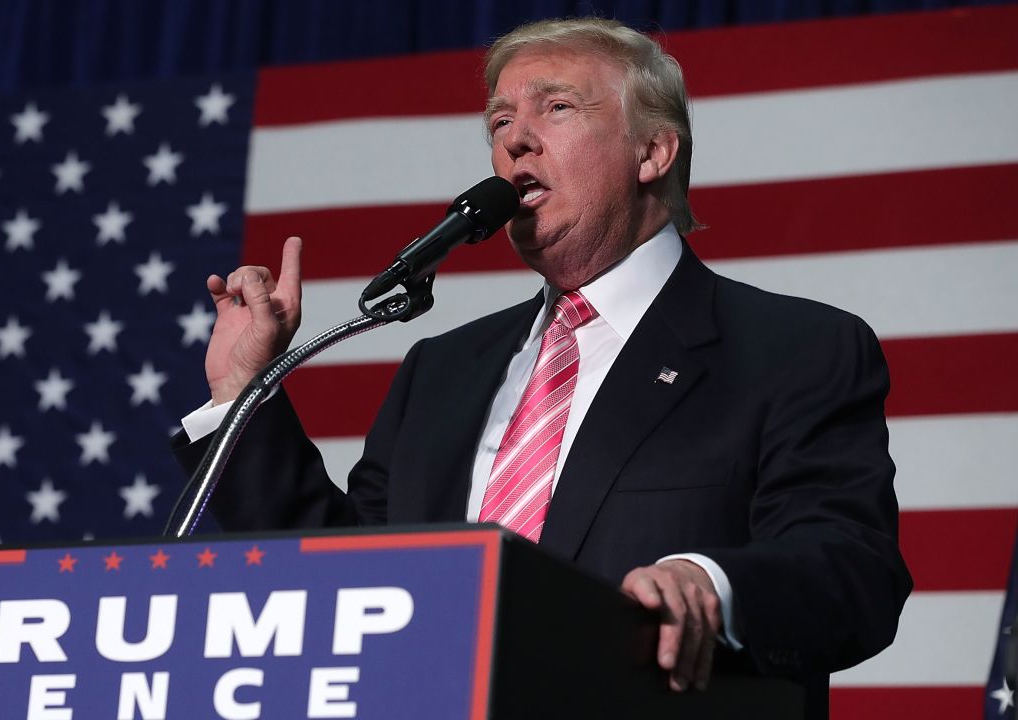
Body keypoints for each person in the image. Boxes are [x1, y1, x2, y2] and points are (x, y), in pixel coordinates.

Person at [174, 17, 911, 718]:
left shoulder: (792, 349)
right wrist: (243, 395)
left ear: (653, 152)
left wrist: (709, 587)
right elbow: (344, 579)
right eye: (499, 123)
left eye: (555, 107)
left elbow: (850, 567)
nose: (516, 140)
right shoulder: (441, 370)